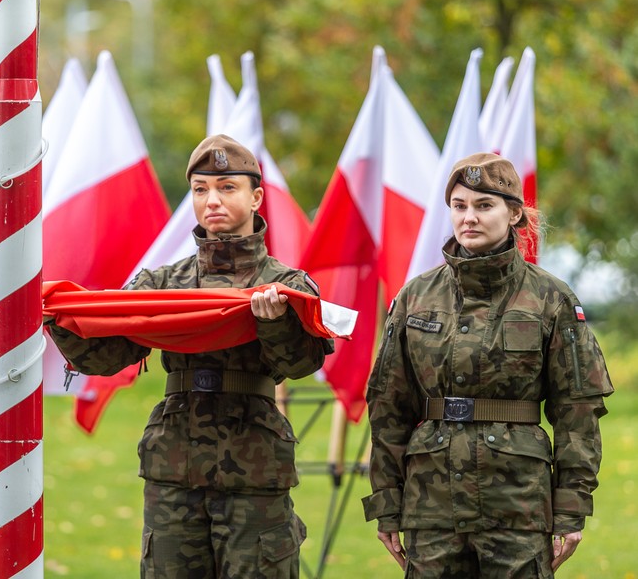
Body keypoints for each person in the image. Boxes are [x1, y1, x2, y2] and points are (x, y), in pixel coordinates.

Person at [47, 134, 334, 578]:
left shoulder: (286, 283)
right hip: (174, 464)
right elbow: (105, 356)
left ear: (256, 197)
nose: (211, 200)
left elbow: (302, 364)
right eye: (200, 190)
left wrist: (273, 321)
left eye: (227, 188)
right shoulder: (164, 283)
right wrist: (56, 315)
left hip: (253, 464)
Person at [362, 152, 614, 577]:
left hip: (517, 504)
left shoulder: (550, 298)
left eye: (484, 205)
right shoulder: (415, 297)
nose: (469, 218)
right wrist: (387, 501)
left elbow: (578, 410)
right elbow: (388, 405)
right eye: (459, 206)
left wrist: (571, 506)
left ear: (514, 212)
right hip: (432, 504)